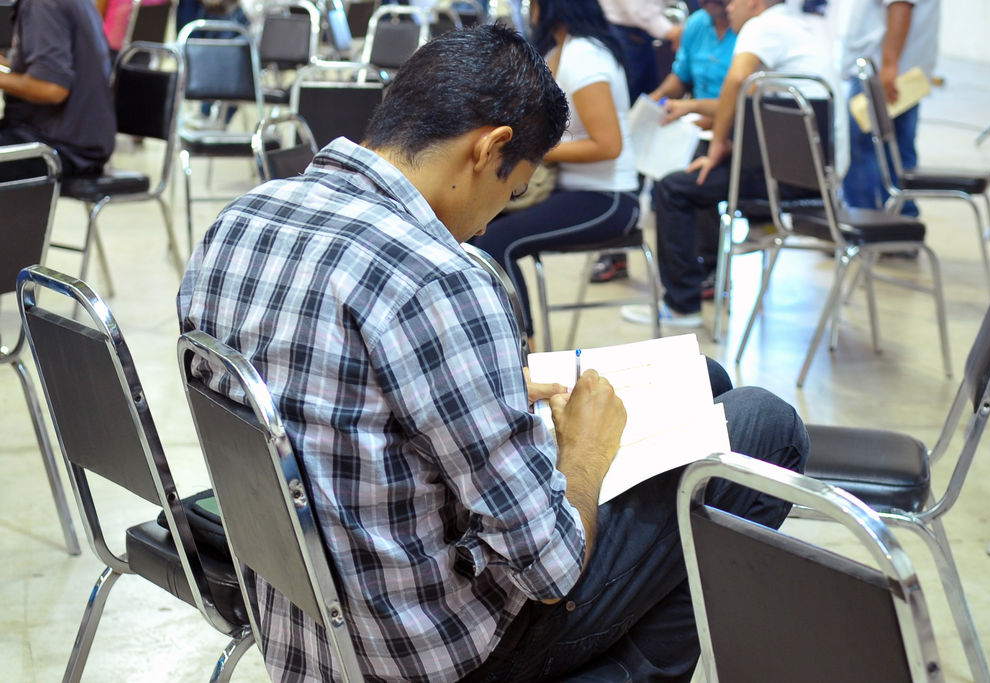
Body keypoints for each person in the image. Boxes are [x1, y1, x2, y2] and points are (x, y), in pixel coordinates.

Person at [178, 24, 809, 682]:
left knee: (702, 381)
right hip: (435, 653)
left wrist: (481, 388)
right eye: (512, 193)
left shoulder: (239, 223)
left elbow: (328, 393)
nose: (485, 225)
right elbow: (551, 570)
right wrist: (584, 456)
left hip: (309, 630)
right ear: (489, 148)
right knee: (764, 426)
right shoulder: (440, 278)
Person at [622, 0, 830, 329]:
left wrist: (718, 144)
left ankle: (682, 305)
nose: (731, 8)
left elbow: (737, 81)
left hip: (786, 177)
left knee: (674, 188)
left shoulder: (762, 26)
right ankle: (704, 275)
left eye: (735, 2)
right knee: (693, 172)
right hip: (811, 173)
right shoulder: (797, 27)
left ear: (754, 2)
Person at [471, 0, 640, 345]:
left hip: (608, 197)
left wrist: (531, 149)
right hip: (570, 188)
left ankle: (523, 351)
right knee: (474, 224)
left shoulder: (586, 55)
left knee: (498, 241)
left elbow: (609, 145)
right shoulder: (559, 50)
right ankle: (487, 339)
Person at [593, 0, 736, 286]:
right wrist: (650, 104)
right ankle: (615, 243)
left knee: (684, 175)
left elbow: (739, 100)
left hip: (726, 129)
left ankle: (706, 266)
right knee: (629, 148)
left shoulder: (747, 31)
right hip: (693, 121)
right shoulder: (697, 24)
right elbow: (679, 79)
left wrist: (692, 110)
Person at [834, 0, 938, 217]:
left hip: (883, 71)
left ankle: (864, 220)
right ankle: (899, 219)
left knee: (862, 146)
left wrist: (890, 64)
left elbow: (900, 5)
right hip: (896, 68)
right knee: (896, 149)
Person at [0, 0, 116, 182]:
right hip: (76, 138)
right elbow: (47, 69)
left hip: (59, 147)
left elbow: (52, 88)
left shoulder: (43, 4)